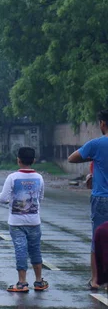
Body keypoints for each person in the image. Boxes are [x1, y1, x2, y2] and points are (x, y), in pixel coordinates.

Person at [68, 109, 108, 290]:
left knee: (98, 239)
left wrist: (94, 157)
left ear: (102, 123)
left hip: (102, 199)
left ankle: (96, 279)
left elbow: (72, 158)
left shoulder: (96, 144)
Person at [0, 147, 48, 292]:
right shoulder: (39, 178)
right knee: (35, 249)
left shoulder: (12, 177)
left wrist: (10, 201)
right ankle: (39, 281)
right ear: (33, 161)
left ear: (18, 160)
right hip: (34, 221)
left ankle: (22, 283)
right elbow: (40, 198)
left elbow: (2, 198)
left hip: (16, 222)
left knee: (21, 250)